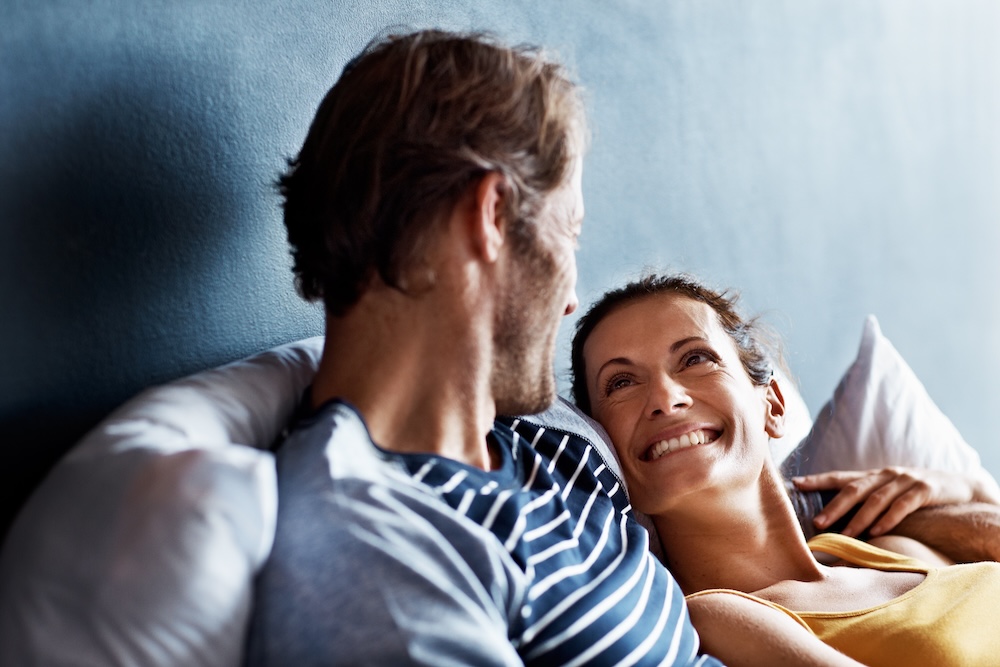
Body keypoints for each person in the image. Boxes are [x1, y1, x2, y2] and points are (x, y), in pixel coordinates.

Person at [245, 28, 870, 667]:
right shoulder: (375, 544)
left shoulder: (552, 436)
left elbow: (747, 478)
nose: (570, 300)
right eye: (567, 234)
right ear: (490, 216)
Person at [570, 272, 1000, 666]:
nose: (665, 397)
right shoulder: (719, 619)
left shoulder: (895, 547)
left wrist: (963, 487)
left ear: (772, 405)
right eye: (620, 383)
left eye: (695, 359)